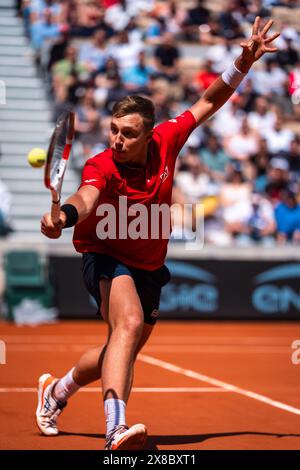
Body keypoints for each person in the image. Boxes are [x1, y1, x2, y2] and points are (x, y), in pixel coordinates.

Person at [37, 17, 280, 450]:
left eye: (128, 134)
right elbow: (86, 197)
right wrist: (65, 216)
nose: (116, 140)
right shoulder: (102, 165)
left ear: (150, 134)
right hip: (105, 254)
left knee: (121, 347)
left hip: (150, 263)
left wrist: (242, 63)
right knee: (127, 323)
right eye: (113, 130)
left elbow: (208, 101)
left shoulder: (168, 139)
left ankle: (57, 392)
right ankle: (116, 431)